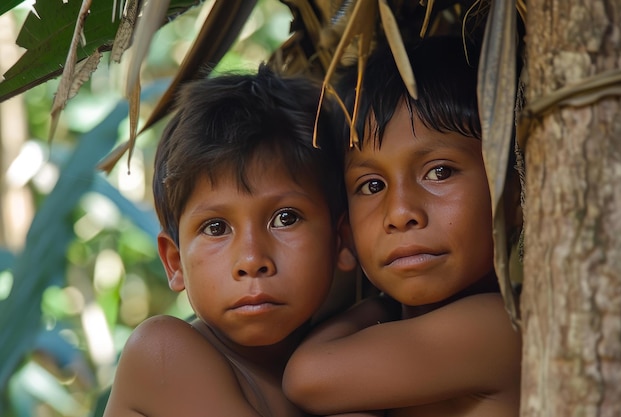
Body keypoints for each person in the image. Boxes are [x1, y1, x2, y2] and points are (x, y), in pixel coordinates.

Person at [282, 36, 523, 417]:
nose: (400, 212)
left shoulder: (499, 327)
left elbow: (305, 378)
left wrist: (376, 305)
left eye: (439, 172)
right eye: (372, 186)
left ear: (515, 193)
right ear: (345, 233)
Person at [102, 66, 358, 417]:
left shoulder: (335, 351)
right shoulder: (162, 353)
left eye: (286, 218)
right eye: (216, 227)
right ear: (175, 263)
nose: (252, 260)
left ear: (341, 239)